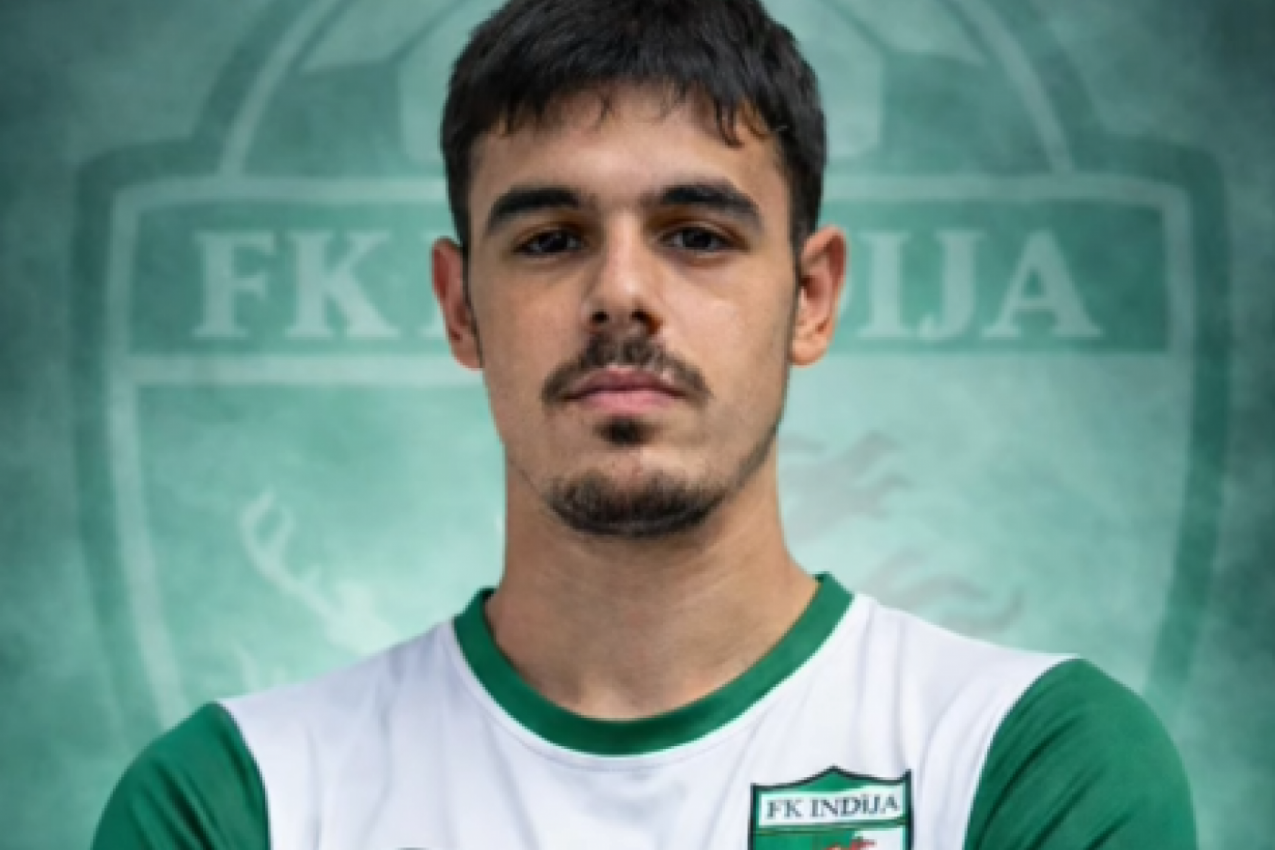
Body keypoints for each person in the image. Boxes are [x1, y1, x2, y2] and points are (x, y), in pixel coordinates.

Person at [92, 0, 1197, 847]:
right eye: (550, 239)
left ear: (811, 297)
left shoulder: (1023, 755)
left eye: (697, 235)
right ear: (459, 306)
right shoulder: (241, 798)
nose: (621, 292)